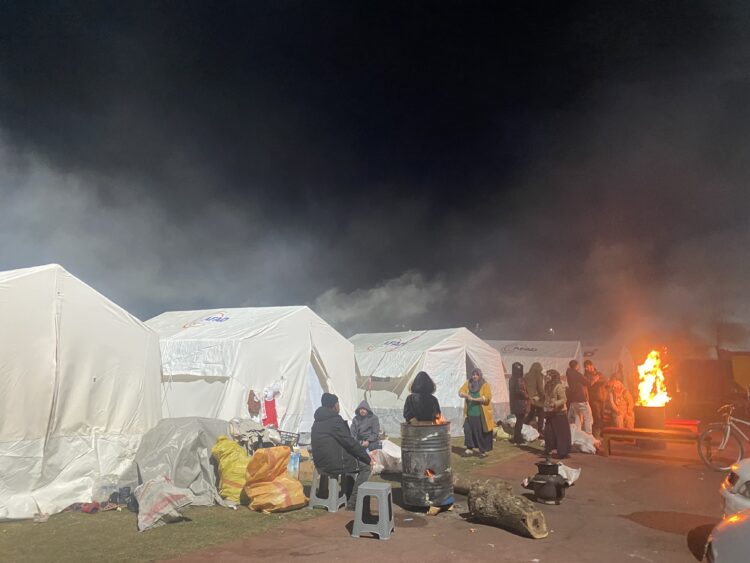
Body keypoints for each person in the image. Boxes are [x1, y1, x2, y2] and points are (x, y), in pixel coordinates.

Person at [311, 393, 372, 510]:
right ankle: (353, 502)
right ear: (334, 406)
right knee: (365, 466)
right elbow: (349, 442)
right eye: (338, 403)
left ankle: (326, 492)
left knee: (351, 462)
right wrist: (366, 458)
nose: (339, 406)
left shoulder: (318, 419)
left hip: (319, 461)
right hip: (333, 463)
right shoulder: (335, 420)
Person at [459, 368, 495, 457]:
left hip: (480, 413)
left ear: (479, 375)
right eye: (473, 374)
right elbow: (460, 392)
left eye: (476, 375)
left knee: (479, 432)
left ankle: (482, 451)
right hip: (469, 413)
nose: (474, 376)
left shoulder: (485, 384)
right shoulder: (468, 383)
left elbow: (487, 397)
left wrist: (475, 399)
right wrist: (466, 395)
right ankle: (469, 449)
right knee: (468, 430)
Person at [543, 369, 571, 459]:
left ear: (553, 376)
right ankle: (549, 449)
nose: (546, 376)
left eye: (548, 375)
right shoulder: (547, 386)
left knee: (561, 433)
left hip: (559, 413)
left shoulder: (558, 386)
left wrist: (555, 403)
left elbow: (564, 399)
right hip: (550, 412)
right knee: (549, 432)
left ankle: (563, 452)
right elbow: (546, 397)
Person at [566, 360, 593, 434]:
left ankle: (577, 434)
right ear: (576, 366)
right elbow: (588, 383)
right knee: (588, 417)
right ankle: (588, 434)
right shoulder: (577, 374)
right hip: (581, 399)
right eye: (578, 365)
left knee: (577, 418)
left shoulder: (569, 374)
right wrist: (594, 378)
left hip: (573, 400)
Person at [508, 362, 530, 445]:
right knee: (520, 421)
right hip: (521, 403)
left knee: (519, 421)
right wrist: (528, 396)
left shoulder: (511, 379)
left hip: (514, 402)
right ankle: (518, 438)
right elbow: (520, 391)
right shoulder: (520, 379)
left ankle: (517, 437)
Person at [585, 360, 607, 438]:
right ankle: (596, 436)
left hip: (602, 399)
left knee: (601, 417)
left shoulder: (599, 374)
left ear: (592, 366)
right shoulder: (586, 376)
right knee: (596, 417)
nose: (588, 368)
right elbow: (589, 384)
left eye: (589, 366)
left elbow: (604, 381)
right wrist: (595, 380)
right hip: (594, 399)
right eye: (586, 367)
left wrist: (596, 380)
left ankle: (601, 435)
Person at [524, 362, 546, 435]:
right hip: (537, 397)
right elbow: (540, 387)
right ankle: (540, 430)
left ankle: (524, 425)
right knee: (541, 413)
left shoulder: (527, 375)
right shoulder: (538, 375)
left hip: (530, 397)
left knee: (532, 412)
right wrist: (543, 396)